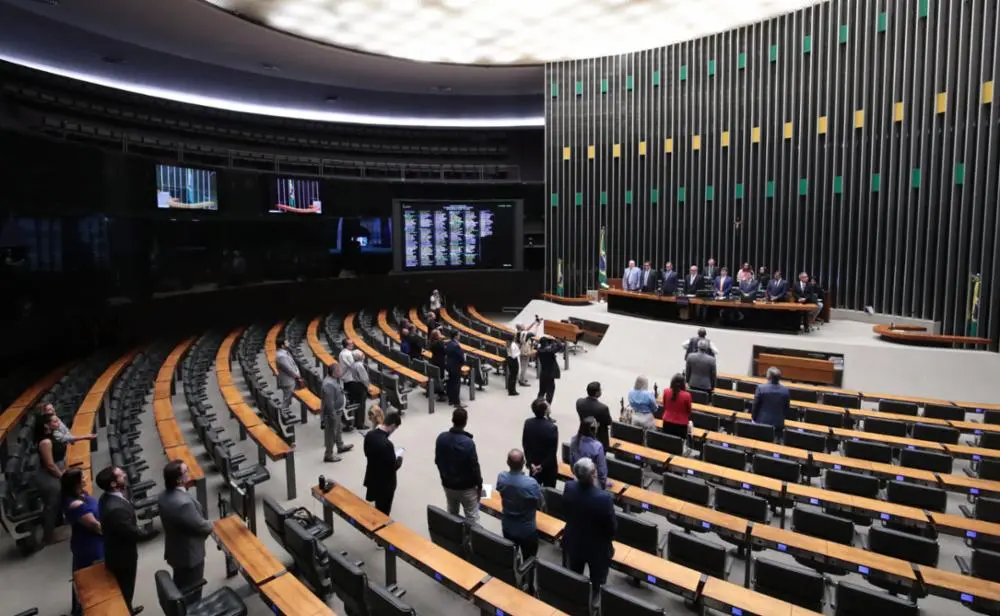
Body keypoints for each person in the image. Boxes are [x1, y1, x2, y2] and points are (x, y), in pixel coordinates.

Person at [98, 465, 157, 615]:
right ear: (113, 483)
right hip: (122, 557)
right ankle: (126, 610)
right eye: (120, 475)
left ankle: (128, 608)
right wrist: (149, 532)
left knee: (126, 588)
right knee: (125, 588)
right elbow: (131, 532)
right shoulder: (115, 509)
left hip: (118, 551)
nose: (124, 475)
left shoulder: (107, 497)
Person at [158, 460, 213, 602]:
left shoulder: (163, 496)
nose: (189, 472)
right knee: (192, 593)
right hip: (190, 555)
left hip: (175, 551)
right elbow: (202, 526)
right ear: (178, 480)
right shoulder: (183, 504)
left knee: (180, 584)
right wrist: (211, 524)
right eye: (186, 471)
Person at [562, 457, 616, 601]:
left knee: (574, 577)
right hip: (597, 548)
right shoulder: (604, 498)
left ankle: (575, 602)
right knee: (598, 583)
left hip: (574, 541)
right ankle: (594, 604)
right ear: (593, 475)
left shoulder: (569, 487)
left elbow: (565, 511)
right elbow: (612, 528)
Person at [62, 468, 103, 616]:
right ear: (75, 483)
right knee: (93, 578)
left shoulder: (81, 495)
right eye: (82, 477)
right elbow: (96, 527)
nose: (85, 478)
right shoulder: (75, 505)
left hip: (89, 541)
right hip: (91, 545)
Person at [434, 408, 482, 524]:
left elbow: (437, 460)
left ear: (452, 420)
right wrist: (479, 485)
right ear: (465, 422)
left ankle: (452, 532)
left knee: (452, 512)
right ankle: (470, 535)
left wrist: (444, 476)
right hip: (466, 487)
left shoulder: (441, 438)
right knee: (472, 516)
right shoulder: (468, 443)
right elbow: (474, 467)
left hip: (447, 483)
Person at [496, 449, 543, 560]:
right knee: (529, 561)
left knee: (510, 558)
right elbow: (541, 504)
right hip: (527, 531)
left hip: (508, 527)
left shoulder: (501, 477)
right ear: (523, 463)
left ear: (507, 462)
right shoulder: (531, 483)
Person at [34, 412, 67, 545]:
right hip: (47, 476)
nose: (58, 422)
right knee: (52, 504)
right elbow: (50, 465)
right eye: (54, 421)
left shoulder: (52, 436)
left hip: (56, 471)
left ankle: (58, 525)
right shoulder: (45, 442)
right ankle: (47, 537)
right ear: (46, 425)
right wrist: (62, 477)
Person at [363, 412, 403, 515]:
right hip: (385, 484)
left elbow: (366, 453)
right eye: (395, 429)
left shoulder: (369, 435)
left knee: (378, 505)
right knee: (384, 511)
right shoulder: (387, 445)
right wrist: (399, 461)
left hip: (372, 476)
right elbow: (391, 467)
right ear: (392, 425)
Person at [522, 398, 558, 488]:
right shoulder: (552, 428)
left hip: (533, 463)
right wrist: (542, 466)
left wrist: (530, 463)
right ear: (545, 411)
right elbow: (552, 451)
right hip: (548, 467)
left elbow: (525, 444)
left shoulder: (528, 423)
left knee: (533, 488)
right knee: (549, 490)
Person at [321, 363, 353, 462]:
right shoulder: (328, 384)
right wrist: (333, 415)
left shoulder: (334, 379)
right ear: (334, 373)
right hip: (332, 413)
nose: (341, 372)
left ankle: (340, 446)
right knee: (331, 433)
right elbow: (329, 403)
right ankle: (328, 455)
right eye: (339, 370)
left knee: (338, 429)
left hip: (338, 410)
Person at [752, 367, 792, 439]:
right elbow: (786, 409)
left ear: (768, 376)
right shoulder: (785, 390)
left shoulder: (760, 388)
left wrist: (754, 419)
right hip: (778, 424)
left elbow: (755, 405)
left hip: (762, 422)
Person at [569, 417, 609, 489]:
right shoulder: (597, 446)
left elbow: (572, 463)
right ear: (595, 430)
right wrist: (602, 486)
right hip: (592, 483)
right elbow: (602, 471)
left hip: (578, 478)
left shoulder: (573, 441)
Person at [575, 381, 612, 450]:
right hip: (599, 438)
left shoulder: (579, 402)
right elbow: (609, 422)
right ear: (597, 393)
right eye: (600, 389)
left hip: (583, 433)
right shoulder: (603, 408)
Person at [661, 374, 692, 439]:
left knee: (667, 440)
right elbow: (689, 411)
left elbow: (665, 406)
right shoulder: (687, 395)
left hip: (667, 422)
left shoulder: (666, 391)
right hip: (681, 425)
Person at [347, 349, 371, 430]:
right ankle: (360, 424)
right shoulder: (360, 365)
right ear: (359, 357)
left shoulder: (353, 364)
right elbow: (365, 379)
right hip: (360, 386)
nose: (363, 356)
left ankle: (356, 422)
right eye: (362, 354)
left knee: (358, 404)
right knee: (361, 405)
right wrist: (368, 387)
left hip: (354, 384)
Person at [275, 336, 301, 411]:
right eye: (286, 342)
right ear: (282, 345)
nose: (288, 343)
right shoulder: (281, 356)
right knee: (287, 399)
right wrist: (297, 376)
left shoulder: (285, 353)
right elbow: (288, 369)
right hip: (287, 380)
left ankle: (285, 412)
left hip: (290, 379)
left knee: (288, 399)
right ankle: (283, 413)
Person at [535, 335, 563, 404]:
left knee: (542, 391)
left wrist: (551, 343)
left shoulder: (539, 350)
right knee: (550, 391)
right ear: (546, 343)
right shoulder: (549, 351)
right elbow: (560, 346)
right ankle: (547, 406)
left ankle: (538, 404)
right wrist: (554, 339)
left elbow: (547, 347)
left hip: (543, 373)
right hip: (550, 374)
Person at [444, 329, 466, 408]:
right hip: (456, 367)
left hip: (449, 366)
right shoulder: (456, 345)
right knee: (456, 385)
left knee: (451, 383)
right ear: (456, 336)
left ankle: (451, 400)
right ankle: (457, 403)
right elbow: (461, 357)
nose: (460, 336)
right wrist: (463, 364)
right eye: (459, 335)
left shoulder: (449, 343)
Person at [429, 329, 448, 402]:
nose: (441, 335)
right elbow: (445, 352)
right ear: (437, 336)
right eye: (439, 333)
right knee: (441, 377)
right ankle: (441, 394)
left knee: (436, 377)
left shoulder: (432, 342)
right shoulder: (440, 343)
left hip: (434, 360)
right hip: (440, 362)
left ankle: (438, 392)